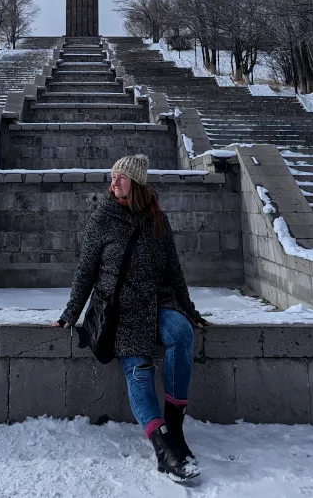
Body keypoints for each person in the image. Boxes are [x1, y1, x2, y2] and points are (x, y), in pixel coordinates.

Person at [56, 153, 206, 482]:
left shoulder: (157, 219)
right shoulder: (103, 218)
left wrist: (189, 310)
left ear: (135, 184)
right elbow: (86, 271)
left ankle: (175, 429)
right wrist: (72, 311)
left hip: (157, 300)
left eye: (119, 178)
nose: (113, 183)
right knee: (138, 370)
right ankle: (163, 448)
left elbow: (174, 270)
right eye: (112, 178)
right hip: (120, 309)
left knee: (181, 334)